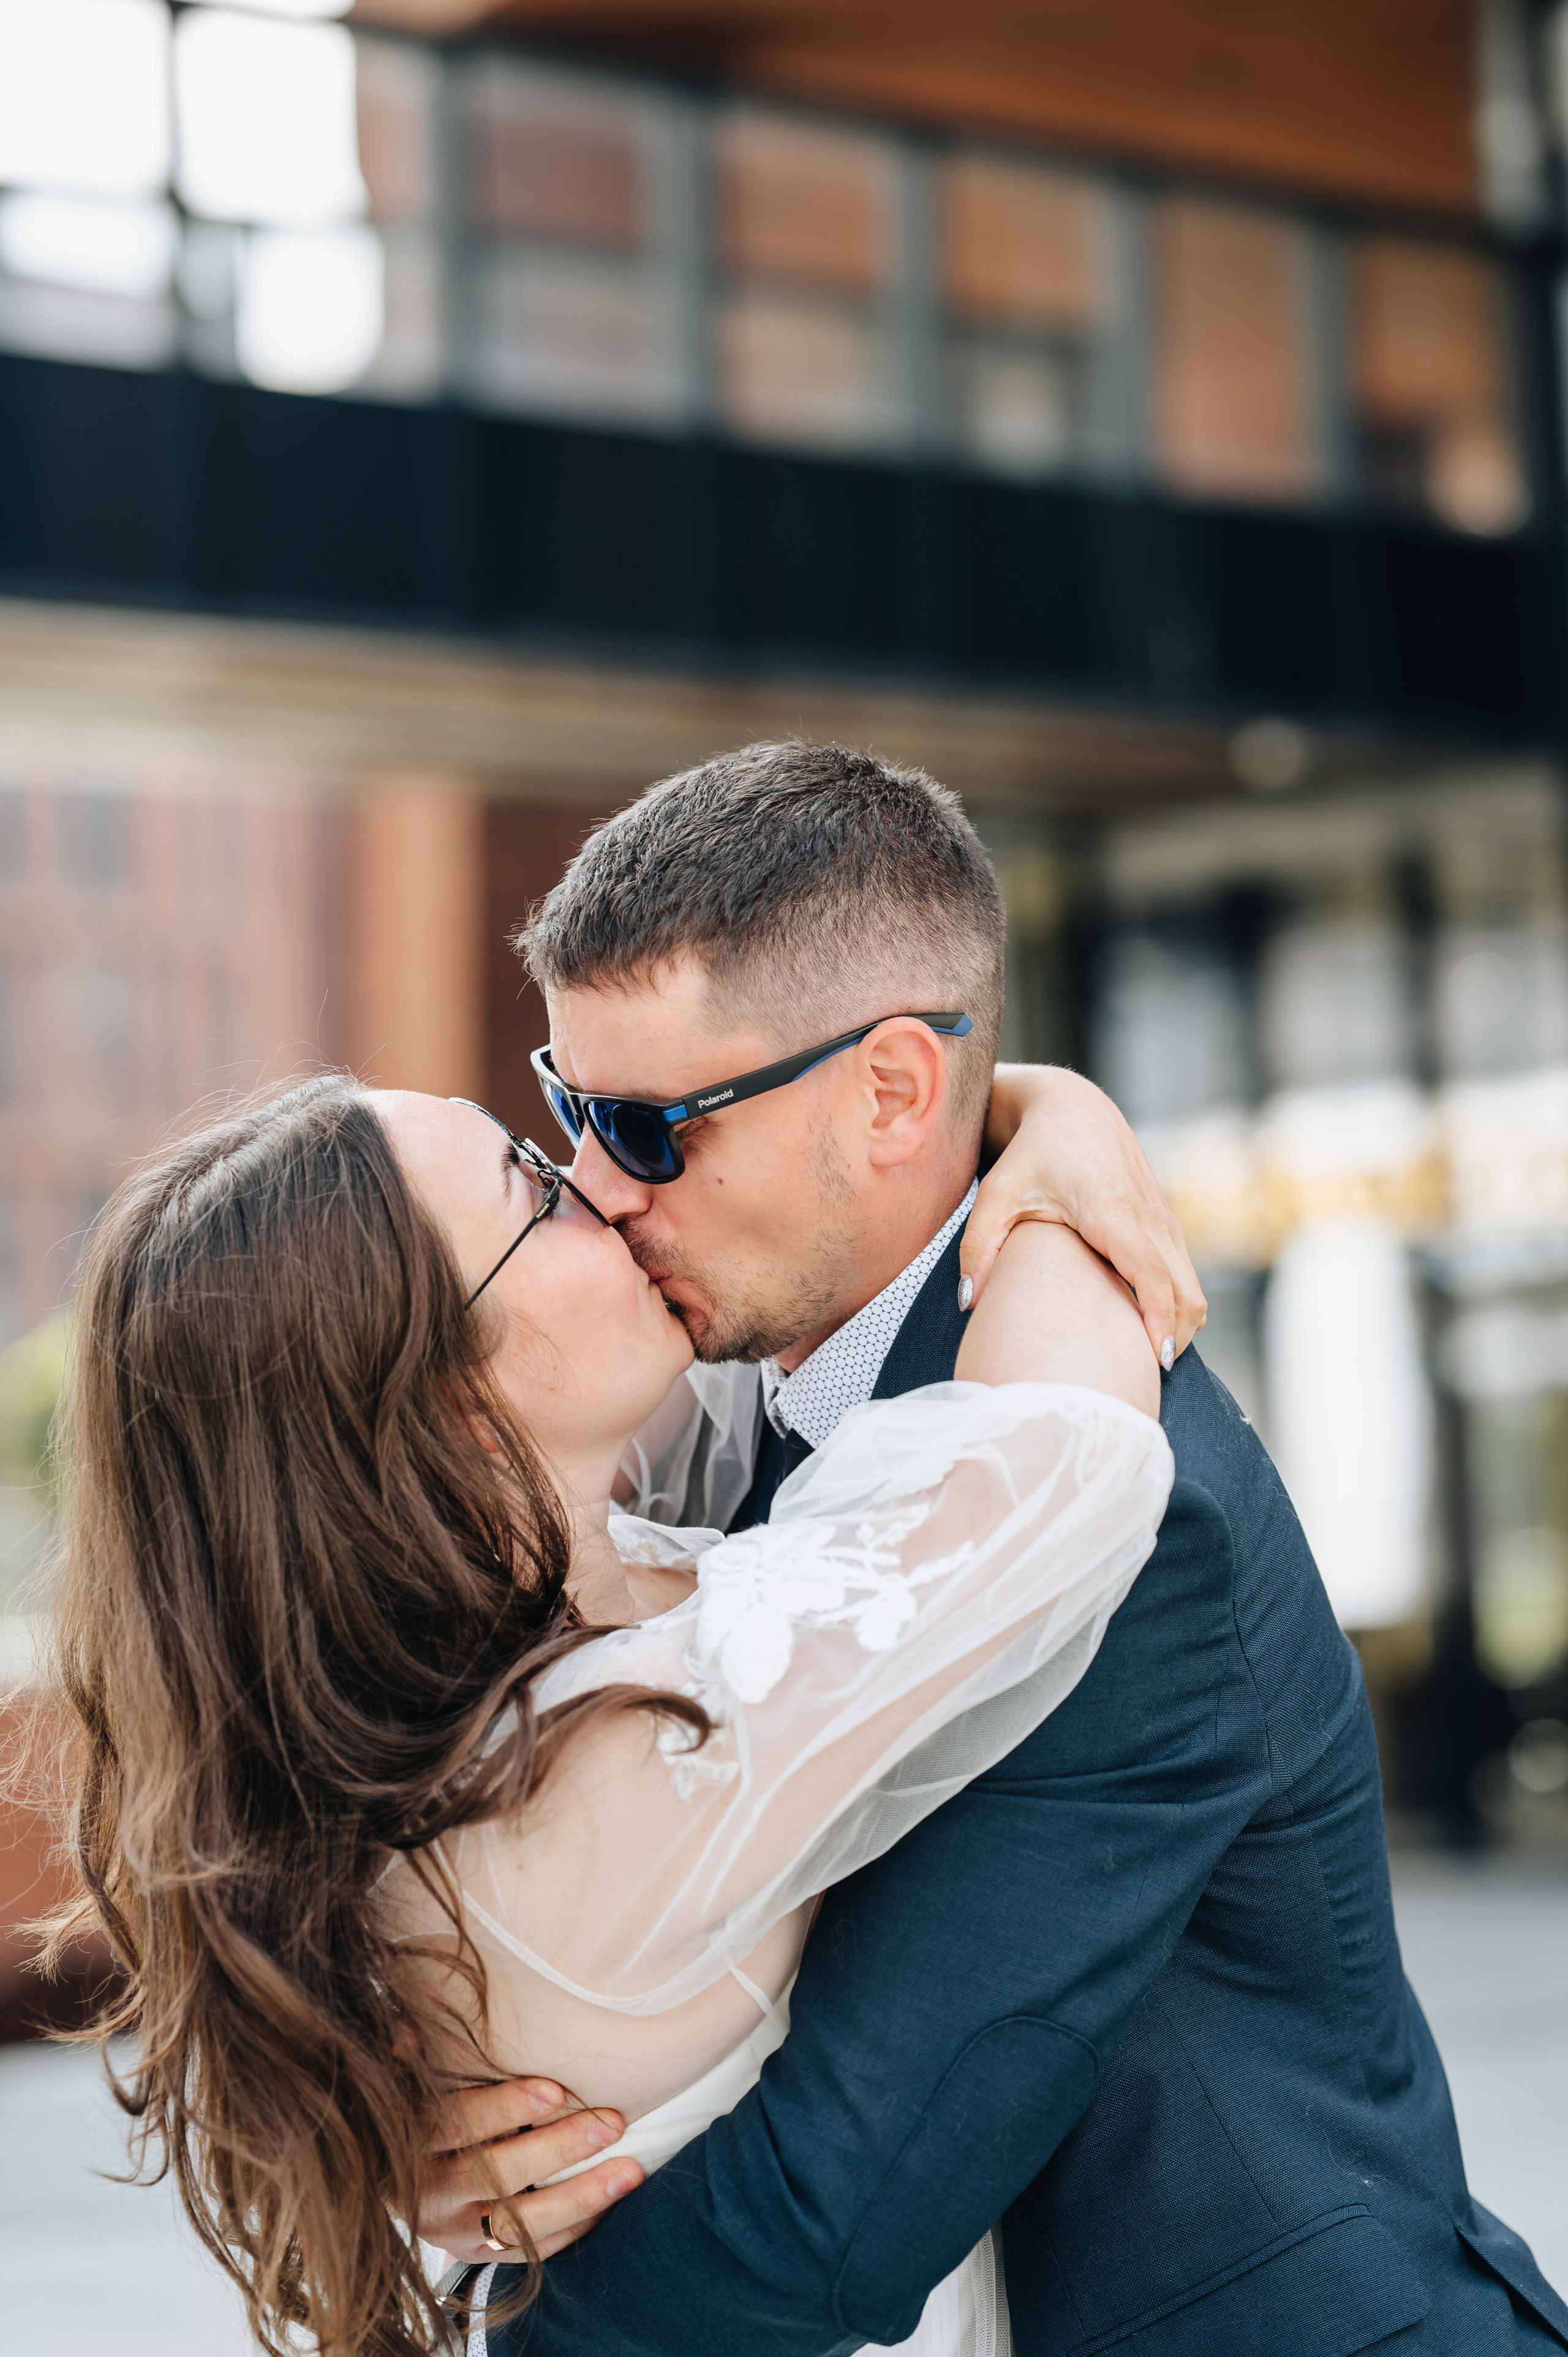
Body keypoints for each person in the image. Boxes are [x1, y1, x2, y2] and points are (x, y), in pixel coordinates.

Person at [418, 742, 1568, 2357]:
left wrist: (490, 2309)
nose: (601, 1190)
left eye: (648, 1127)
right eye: (566, 1110)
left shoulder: (1116, 1511)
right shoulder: (754, 1418)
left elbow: (834, 2213)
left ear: (891, 1092)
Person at [36, 1044, 1185, 2355]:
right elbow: (1059, 1456)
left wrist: (1021, 1101)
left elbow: (781, 1324)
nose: (603, 1182)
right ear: (437, 1406)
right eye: (536, 1187)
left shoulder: (548, 1620)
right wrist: (1069, 1133)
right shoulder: (596, 1760)